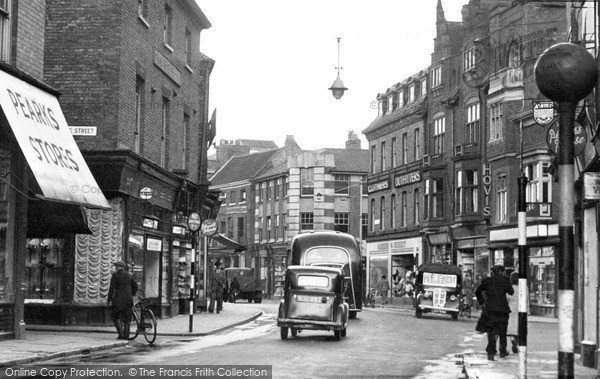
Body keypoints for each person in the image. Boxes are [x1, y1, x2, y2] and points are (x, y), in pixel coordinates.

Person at [475, 265, 515, 361]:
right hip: (502, 310)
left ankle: (491, 354)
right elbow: (511, 292)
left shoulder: (487, 281)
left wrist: (482, 302)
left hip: (490, 310)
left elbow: (477, 291)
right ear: (501, 272)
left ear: (492, 272)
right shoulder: (505, 281)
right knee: (502, 332)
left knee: (491, 332)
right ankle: (502, 352)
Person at [107, 260, 138, 340]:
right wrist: (132, 294)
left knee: (115, 316)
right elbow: (135, 286)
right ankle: (126, 336)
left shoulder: (115, 275)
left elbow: (112, 288)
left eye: (116, 266)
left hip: (118, 300)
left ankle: (121, 334)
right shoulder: (129, 275)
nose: (115, 268)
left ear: (119, 267)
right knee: (127, 319)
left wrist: (109, 299)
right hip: (128, 300)